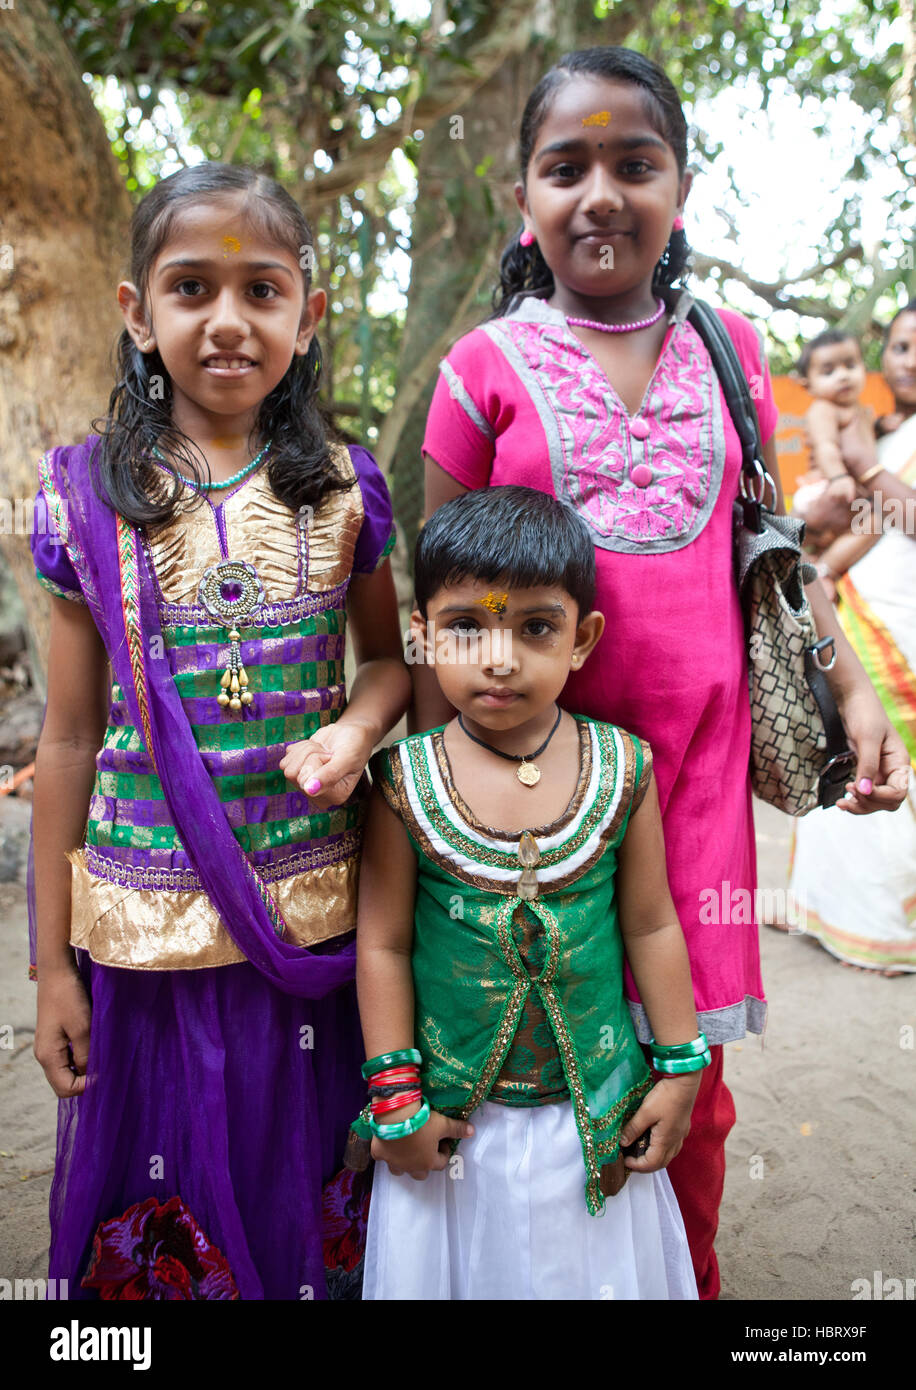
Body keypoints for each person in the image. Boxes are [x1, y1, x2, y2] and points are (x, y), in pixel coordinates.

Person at [414, 46, 910, 1299]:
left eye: (634, 164)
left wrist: (848, 686)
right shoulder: (480, 371)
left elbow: (769, 550)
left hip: (694, 782)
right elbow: (439, 607)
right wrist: (431, 807)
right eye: (563, 165)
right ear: (519, 198)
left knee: (687, 1077)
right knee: (528, 1063)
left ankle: (682, 1281)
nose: (600, 194)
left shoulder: (733, 349)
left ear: (679, 186)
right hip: (530, 783)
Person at [29, 163, 410, 1300]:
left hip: (310, 930)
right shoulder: (83, 500)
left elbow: (390, 664)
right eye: (192, 288)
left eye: (263, 289)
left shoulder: (346, 491)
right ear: (137, 314)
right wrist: (50, 966)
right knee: (171, 1203)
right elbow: (65, 740)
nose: (229, 321)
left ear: (310, 313)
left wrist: (354, 728)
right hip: (146, 940)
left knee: (295, 1180)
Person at [358, 486, 700, 1300]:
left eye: (535, 627)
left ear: (583, 640)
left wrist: (682, 1070)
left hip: (594, 1119)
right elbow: (383, 944)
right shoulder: (402, 782)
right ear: (421, 635)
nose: (499, 657)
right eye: (467, 626)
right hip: (450, 1130)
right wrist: (396, 1104)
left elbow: (651, 925)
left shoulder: (625, 768)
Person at [788, 302, 916, 974]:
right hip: (860, 605)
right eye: (899, 346)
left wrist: (866, 470)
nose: (910, 360)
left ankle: (891, 927)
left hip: (904, 618)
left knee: (894, 752)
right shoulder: (882, 431)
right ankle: (832, 911)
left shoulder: (875, 445)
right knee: (845, 737)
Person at [791, 329, 871, 526]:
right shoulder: (824, 409)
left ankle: (824, 557)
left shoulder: (860, 409)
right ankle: (829, 559)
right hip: (823, 486)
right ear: (807, 385)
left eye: (850, 365)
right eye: (829, 372)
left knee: (872, 523)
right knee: (873, 521)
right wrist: (838, 477)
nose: (843, 375)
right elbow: (825, 445)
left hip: (841, 485)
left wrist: (882, 426)